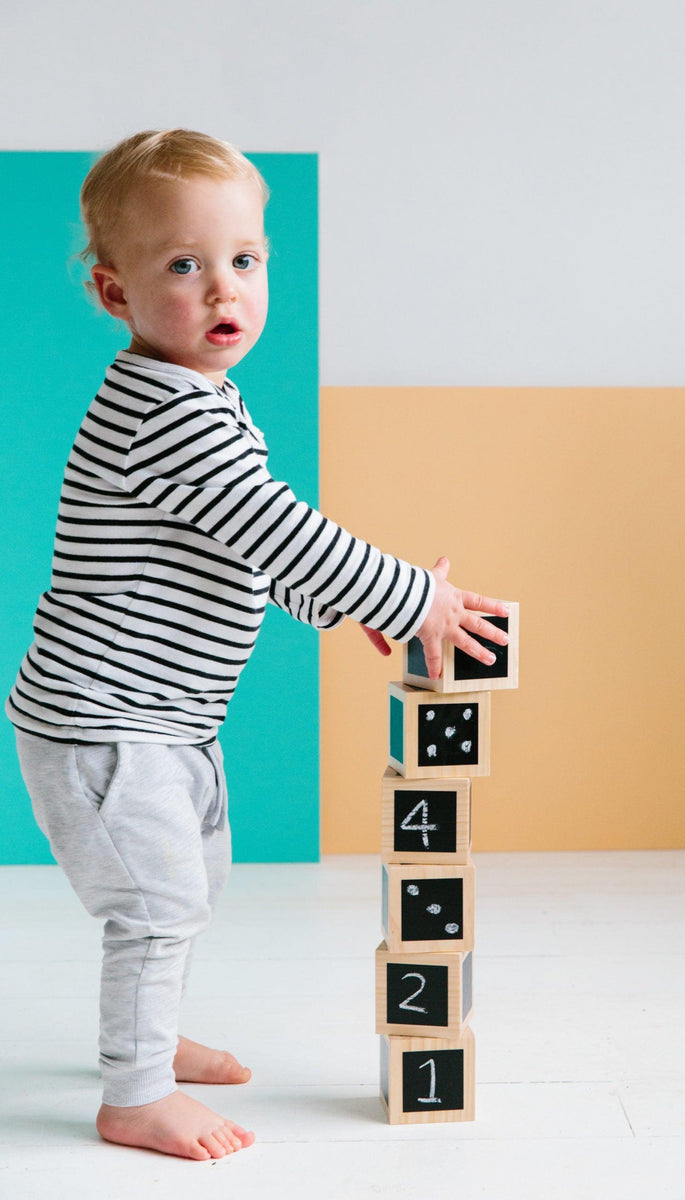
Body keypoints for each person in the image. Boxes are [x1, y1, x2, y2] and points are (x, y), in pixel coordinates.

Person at [5, 129, 509, 1161]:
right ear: (115, 294)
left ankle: (147, 1036)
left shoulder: (200, 398)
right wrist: (414, 598)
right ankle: (134, 1093)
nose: (220, 287)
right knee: (158, 902)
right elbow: (280, 528)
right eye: (181, 266)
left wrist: (347, 608)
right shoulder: (171, 416)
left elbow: (243, 550)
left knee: (191, 883)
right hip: (108, 723)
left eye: (243, 260)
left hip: (162, 717)